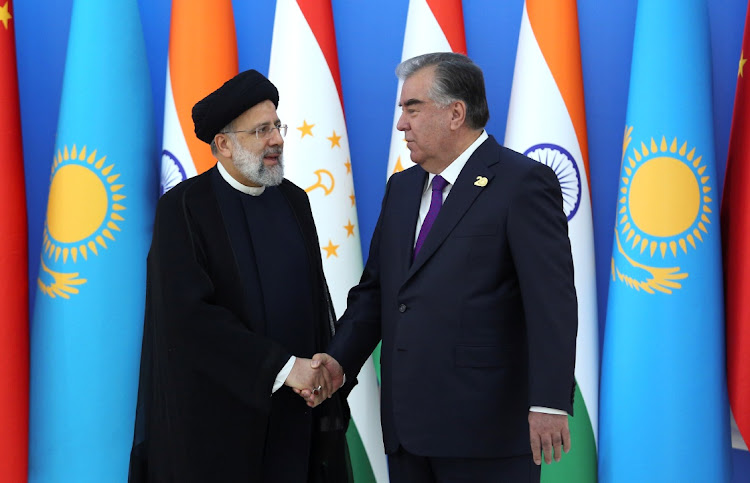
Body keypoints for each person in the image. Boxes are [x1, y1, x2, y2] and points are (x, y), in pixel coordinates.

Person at [309, 52, 578, 482]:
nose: (401, 124)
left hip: (486, 431)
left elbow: (552, 302)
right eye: (402, 111)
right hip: (407, 430)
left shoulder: (521, 183)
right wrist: (339, 361)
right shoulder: (402, 188)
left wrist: (548, 402)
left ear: (456, 113)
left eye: (412, 109)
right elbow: (378, 292)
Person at [128, 69, 352, 483]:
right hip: (218, 424)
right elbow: (188, 318)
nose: (277, 140)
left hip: (295, 413)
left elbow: (313, 299)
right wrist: (282, 368)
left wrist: (320, 368)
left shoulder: (294, 200)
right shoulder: (184, 207)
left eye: (277, 126)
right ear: (224, 144)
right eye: (262, 130)